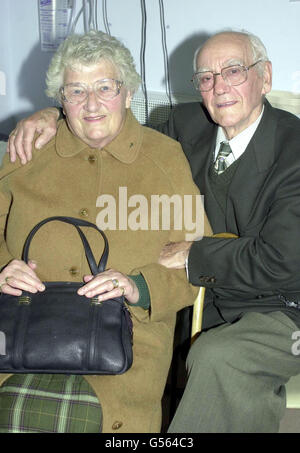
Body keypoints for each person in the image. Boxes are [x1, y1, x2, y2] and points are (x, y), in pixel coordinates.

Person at [6, 29, 300, 433]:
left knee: (221, 359)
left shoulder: (293, 150)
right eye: (206, 77)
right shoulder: (185, 126)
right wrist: (52, 116)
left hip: (285, 305)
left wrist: (182, 262)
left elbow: (285, 261)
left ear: (265, 77)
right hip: (210, 301)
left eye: (234, 71)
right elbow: (110, 130)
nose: (219, 87)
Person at [0, 30, 212, 434]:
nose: (92, 104)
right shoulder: (27, 152)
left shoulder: (164, 160)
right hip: (19, 330)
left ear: (129, 93)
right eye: (76, 91)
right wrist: (2, 268)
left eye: (105, 87)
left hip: (127, 341)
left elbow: (196, 260)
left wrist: (139, 287)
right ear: (60, 100)